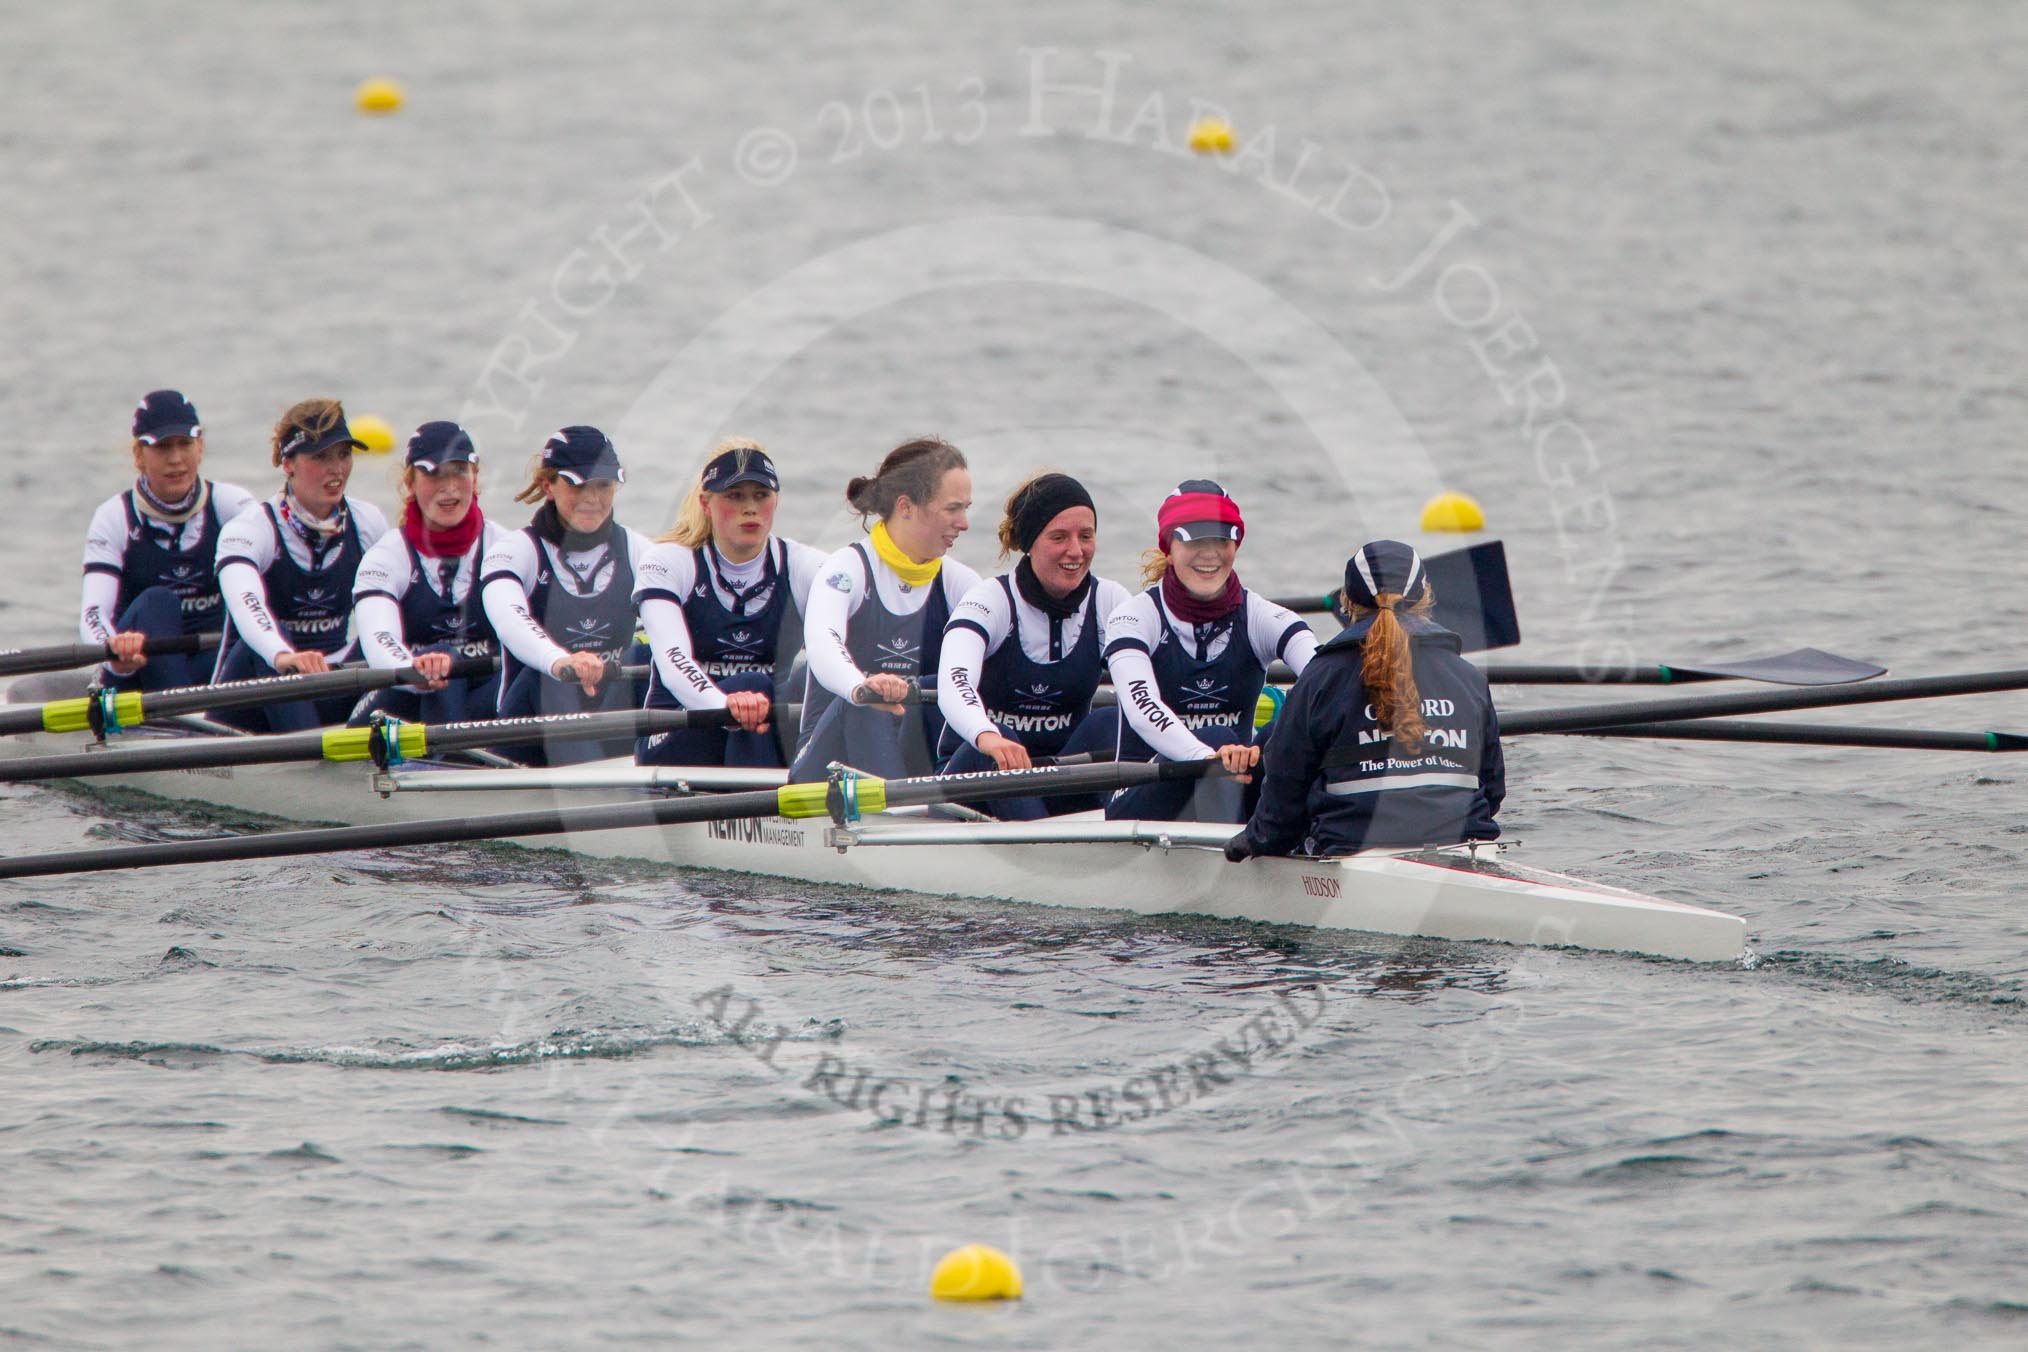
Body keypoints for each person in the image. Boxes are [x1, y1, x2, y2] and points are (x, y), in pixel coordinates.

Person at [1226, 540, 1502, 859]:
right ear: (1426, 597)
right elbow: (1492, 790)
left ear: (1347, 601)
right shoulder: (1468, 677)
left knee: (1271, 739)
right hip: (1468, 845)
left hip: (1351, 848)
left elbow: (1285, 792)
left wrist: (1258, 839)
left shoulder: (1319, 677)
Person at [1101, 479, 1316, 822]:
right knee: (1219, 737)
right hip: (1141, 793)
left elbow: (1321, 675)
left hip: (1231, 786)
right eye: (1194, 540)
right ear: (1168, 549)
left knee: (1285, 730)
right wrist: (1209, 756)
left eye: (1221, 539)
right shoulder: (1134, 617)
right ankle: (1233, 859)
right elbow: (1142, 707)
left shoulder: (1262, 615)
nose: (1210, 553)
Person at [936, 472, 1128, 818]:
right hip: (972, 781)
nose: (1076, 550)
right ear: (1030, 542)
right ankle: (1051, 856)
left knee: (1113, 722)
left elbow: (1150, 688)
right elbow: (954, 680)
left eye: (1086, 536)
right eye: (1059, 537)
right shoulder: (990, 600)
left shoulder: (1110, 600)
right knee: (998, 740)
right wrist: (986, 735)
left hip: (1059, 777)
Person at [790, 437, 980, 783]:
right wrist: (862, 686)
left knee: (945, 687)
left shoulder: (962, 584)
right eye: (953, 509)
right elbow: (822, 643)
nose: (964, 522)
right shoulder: (846, 570)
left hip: (908, 755)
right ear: (905, 506)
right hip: (825, 766)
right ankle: (903, 820)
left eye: (966, 508)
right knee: (865, 706)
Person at [633, 439, 825, 768]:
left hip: (761, 728)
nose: (750, 508)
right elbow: (673, 661)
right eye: (735, 496)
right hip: (676, 733)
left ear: (775, 501)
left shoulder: (805, 565)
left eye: (761, 496)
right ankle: (763, 806)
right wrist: (728, 707)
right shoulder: (669, 561)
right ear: (706, 504)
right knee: (752, 685)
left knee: (815, 676)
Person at [479, 426, 652, 764]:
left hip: (608, 720)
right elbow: (507, 617)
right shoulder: (516, 551)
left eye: (603, 486)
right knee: (549, 677)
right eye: (577, 484)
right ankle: (596, 795)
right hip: (528, 732)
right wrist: (560, 662)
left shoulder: (639, 550)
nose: (593, 498)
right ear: (548, 485)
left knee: (645, 659)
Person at [212, 398, 388, 731]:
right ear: (288, 464)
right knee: (259, 651)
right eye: (321, 457)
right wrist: (282, 655)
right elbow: (244, 601)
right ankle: (316, 766)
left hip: (326, 684)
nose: (336, 468)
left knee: (382, 637)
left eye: (343, 454)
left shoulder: (368, 522)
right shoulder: (251, 529)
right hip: (248, 696)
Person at [79, 390, 255, 691]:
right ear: (138, 455)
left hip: (211, 666)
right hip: (138, 672)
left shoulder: (233, 506)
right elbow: (93, 613)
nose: (176, 459)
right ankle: (185, 720)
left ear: (200, 448)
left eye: (185, 444)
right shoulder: (114, 517)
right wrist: (112, 649)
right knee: (157, 601)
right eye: (162, 447)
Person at [351, 422, 503, 724]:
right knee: (442, 654)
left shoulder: (504, 547)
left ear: (474, 475)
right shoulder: (387, 556)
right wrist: (416, 670)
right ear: (410, 482)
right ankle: (451, 761)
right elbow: (379, 636)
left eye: (459, 471)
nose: (449, 487)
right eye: (434, 474)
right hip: (403, 702)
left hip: (482, 699)